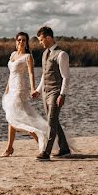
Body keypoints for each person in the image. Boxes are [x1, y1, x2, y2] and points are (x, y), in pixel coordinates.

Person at [1, 31, 49, 157]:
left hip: (19, 89)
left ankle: (41, 143)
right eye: (19, 40)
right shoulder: (13, 55)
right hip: (11, 88)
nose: (21, 42)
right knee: (12, 117)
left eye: (23, 40)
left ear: (27, 43)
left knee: (19, 118)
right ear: (16, 41)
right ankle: (10, 148)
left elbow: (31, 74)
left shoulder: (28, 57)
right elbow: (11, 74)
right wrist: (6, 89)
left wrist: (33, 88)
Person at [31, 25, 71, 160]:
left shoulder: (61, 54)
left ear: (49, 38)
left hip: (55, 92)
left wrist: (62, 94)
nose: (40, 42)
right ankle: (64, 148)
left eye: (41, 40)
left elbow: (66, 77)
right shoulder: (44, 54)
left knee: (51, 122)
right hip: (45, 92)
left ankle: (46, 152)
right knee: (53, 121)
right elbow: (44, 74)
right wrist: (37, 89)